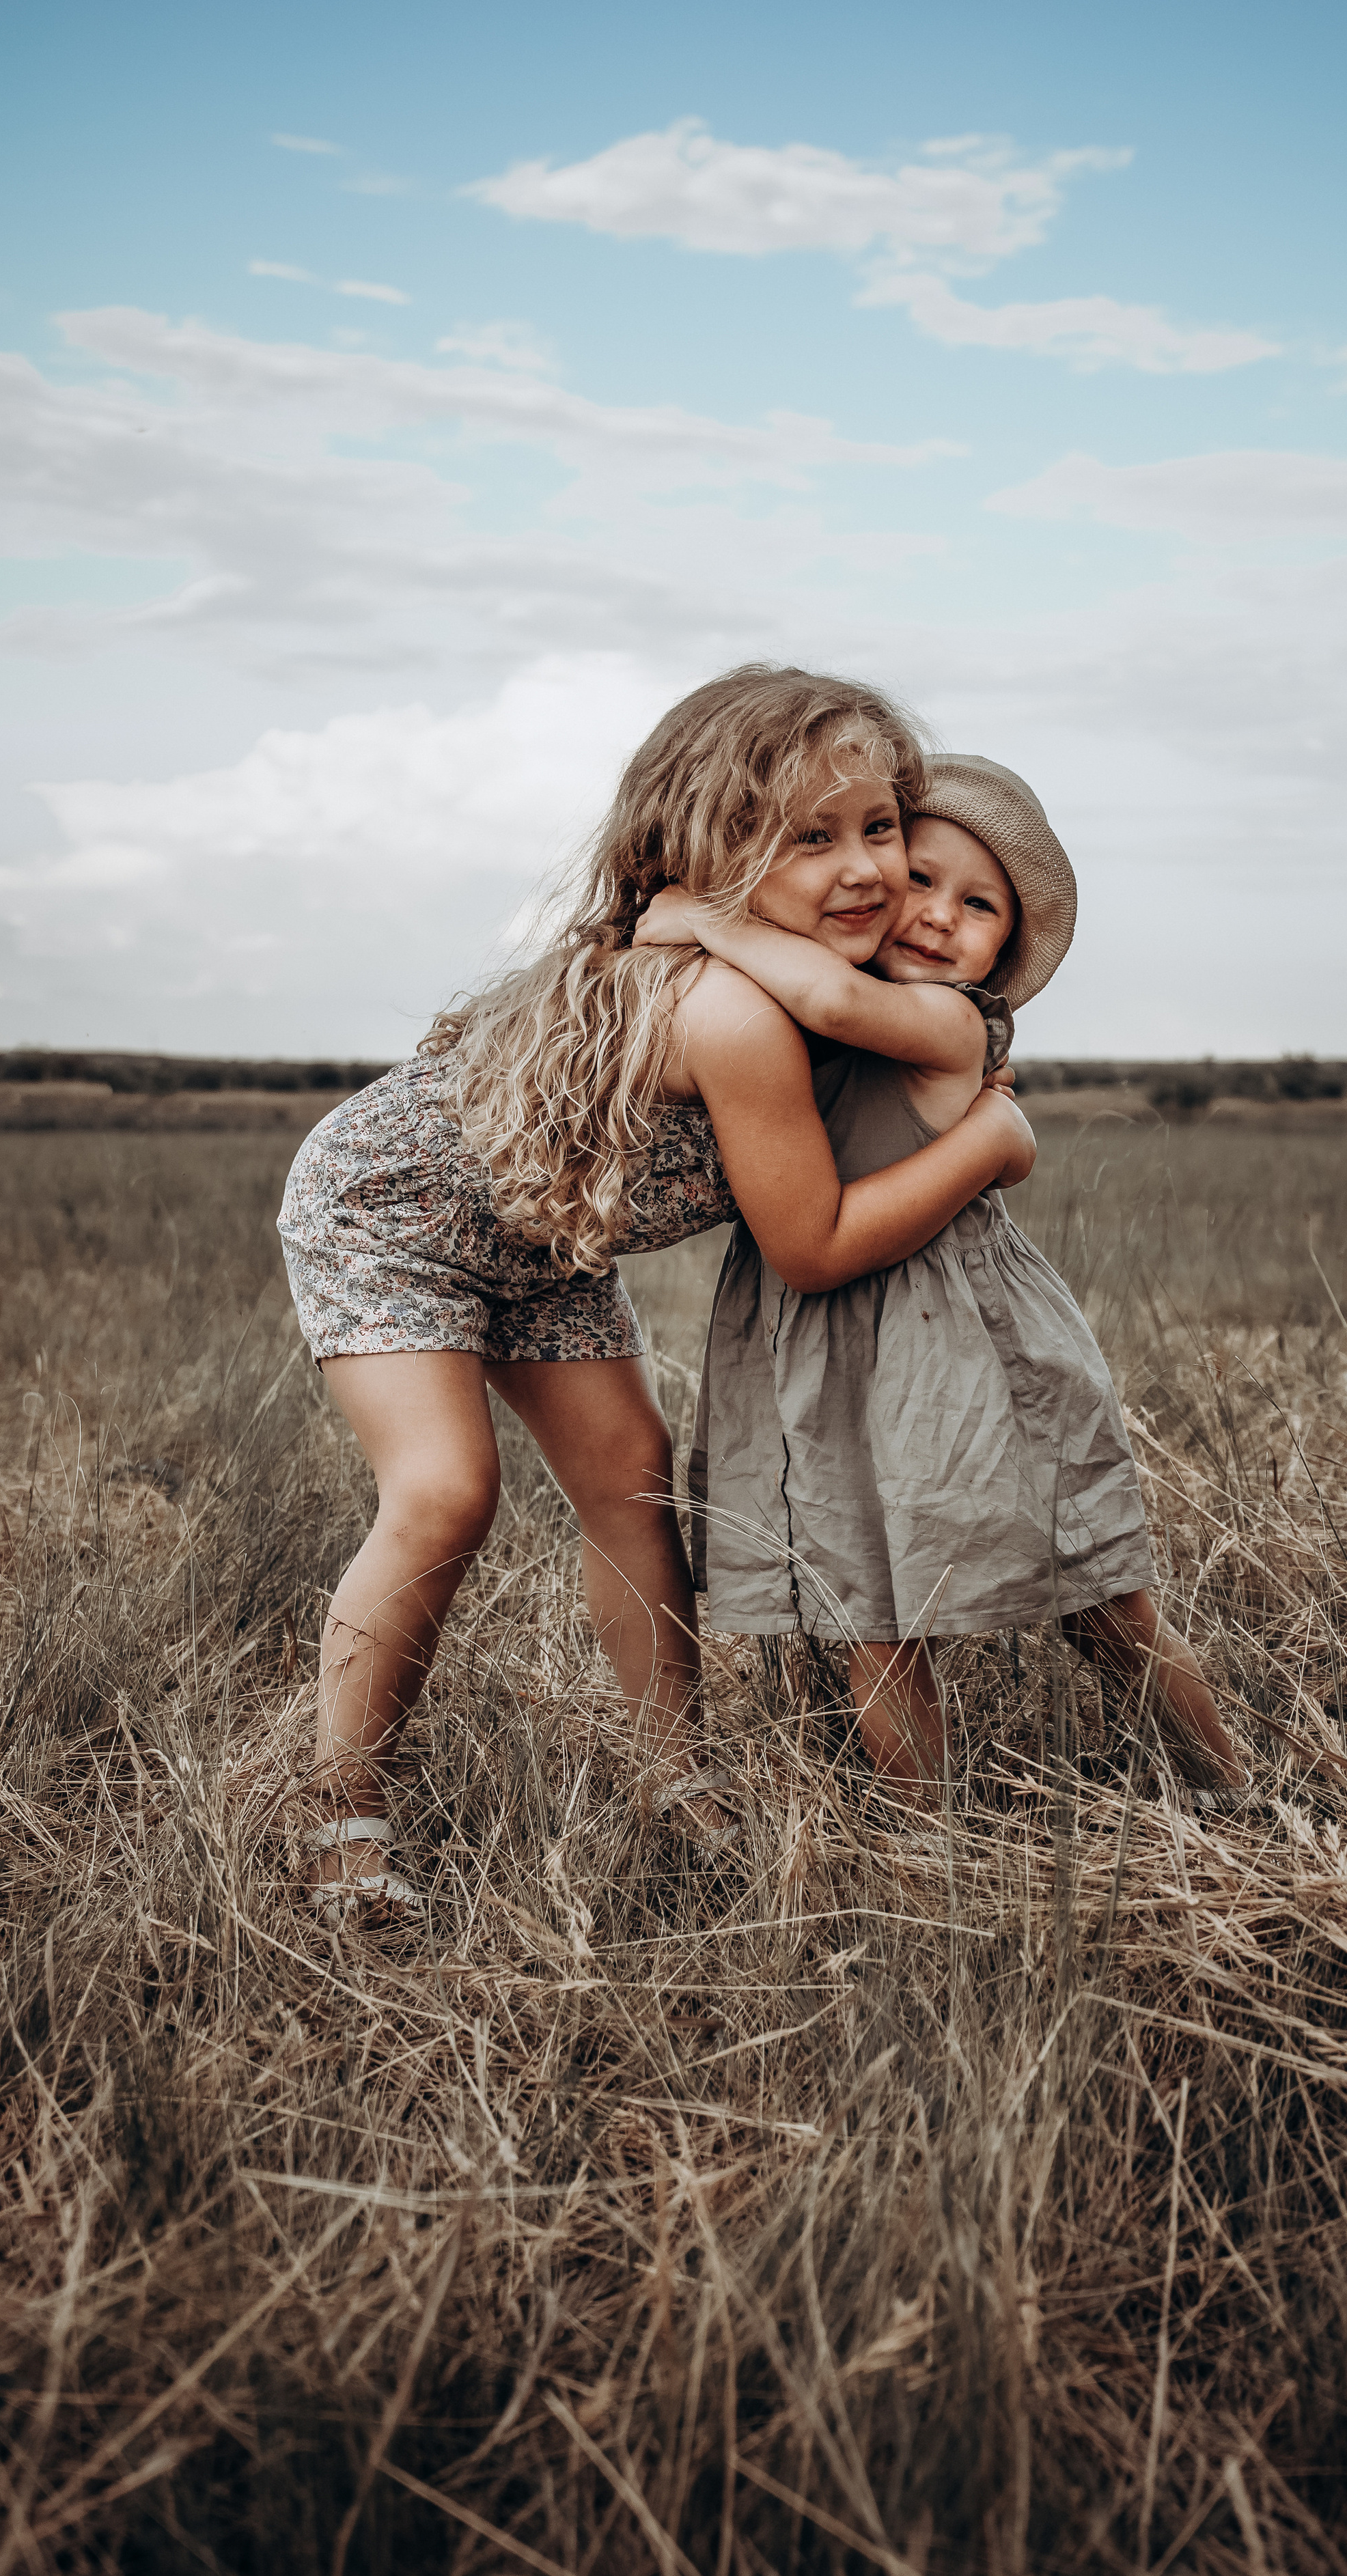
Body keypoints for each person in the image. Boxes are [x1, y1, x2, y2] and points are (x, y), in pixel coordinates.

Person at [276, 675, 1033, 1922]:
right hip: (389, 1211)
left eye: (880, 828)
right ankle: (345, 1819)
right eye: (810, 837)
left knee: (633, 1475)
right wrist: (988, 1144)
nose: (865, 870)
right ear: (703, 854)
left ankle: (672, 1782)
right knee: (446, 1491)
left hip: (547, 1240)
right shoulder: (733, 1009)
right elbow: (813, 1246)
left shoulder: (812, 991)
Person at [635, 753, 1247, 1809]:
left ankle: (1231, 1793)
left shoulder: (948, 1024)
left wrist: (709, 917)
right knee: (867, 1610)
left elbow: (826, 990)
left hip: (962, 1336)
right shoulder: (789, 1021)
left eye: (979, 906)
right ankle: (929, 1845)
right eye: (920, 879)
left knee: (1098, 1592)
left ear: (1005, 947)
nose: (937, 917)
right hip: (818, 1341)